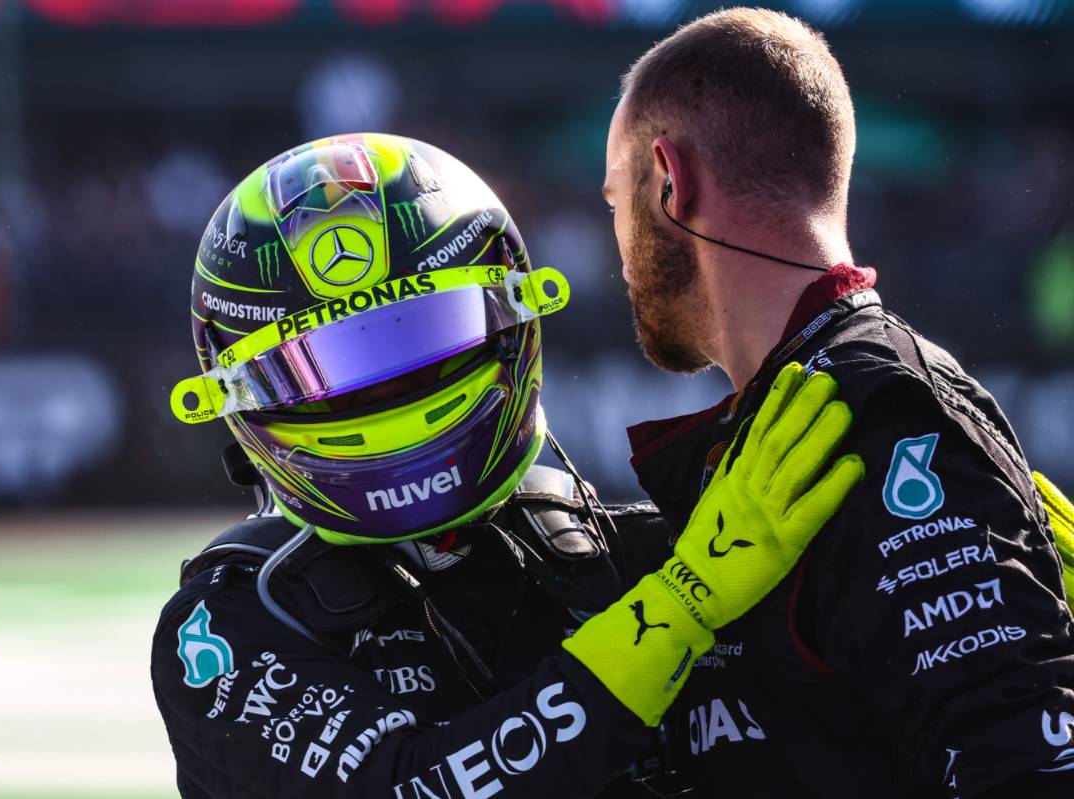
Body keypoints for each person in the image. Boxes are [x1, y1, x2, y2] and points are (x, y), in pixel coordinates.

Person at [150, 132, 866, 798]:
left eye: (426, 336)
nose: (382, 387)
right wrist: (676, 613)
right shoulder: (225, 626)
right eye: (321, 370)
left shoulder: (633, 551)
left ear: (513, 316)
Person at [601, 7, 1074, 796]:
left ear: (671, 182)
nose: (615, 242)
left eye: (616, 199)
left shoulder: (879, 410)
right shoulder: (800, 407)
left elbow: (1025, 766)